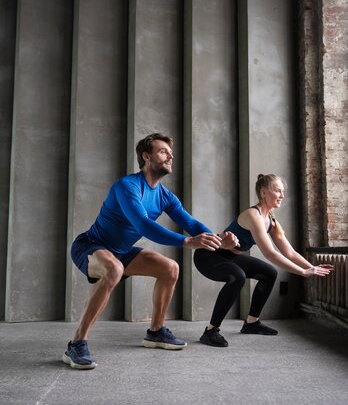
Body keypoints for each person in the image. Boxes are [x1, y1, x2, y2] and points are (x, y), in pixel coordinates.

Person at [64, 133, 239, 369]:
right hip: (91, 245)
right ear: (146, 156)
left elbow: (192, 225)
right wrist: (187, 243)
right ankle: (76, 343)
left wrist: (219, 240)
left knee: (170, 268)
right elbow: (143, 225)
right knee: (114, 269)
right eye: (163, 151)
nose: (171, 156)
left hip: (122, 251)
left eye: (170, 152)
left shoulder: (165, 196)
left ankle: (155, 332)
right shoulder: (128, 186)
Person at [194, 174, 333, 347]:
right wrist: (303, 272)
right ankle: (210, 331)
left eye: (283, 191)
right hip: (208, 255)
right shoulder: (253, 215)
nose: (282, 195)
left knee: (269, 272)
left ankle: (251, 322)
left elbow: (289, 252)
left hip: (230, 256)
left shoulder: (271, 222)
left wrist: (312, 267)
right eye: (277, 190)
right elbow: (270, 253)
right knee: (238, 276)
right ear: (263, 193)